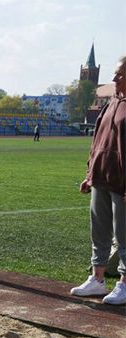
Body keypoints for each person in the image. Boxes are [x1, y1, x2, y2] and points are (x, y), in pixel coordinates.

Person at [71, 56, 126, 305]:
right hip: (101, 176)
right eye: (114, 74)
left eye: (120, 74)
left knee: (123, 234)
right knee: (99, 231)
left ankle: (124, 283)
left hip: (122, 181)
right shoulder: (112, 102)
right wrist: (89, 173)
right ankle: (97, 279)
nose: (114, 79)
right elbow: (98, 141)